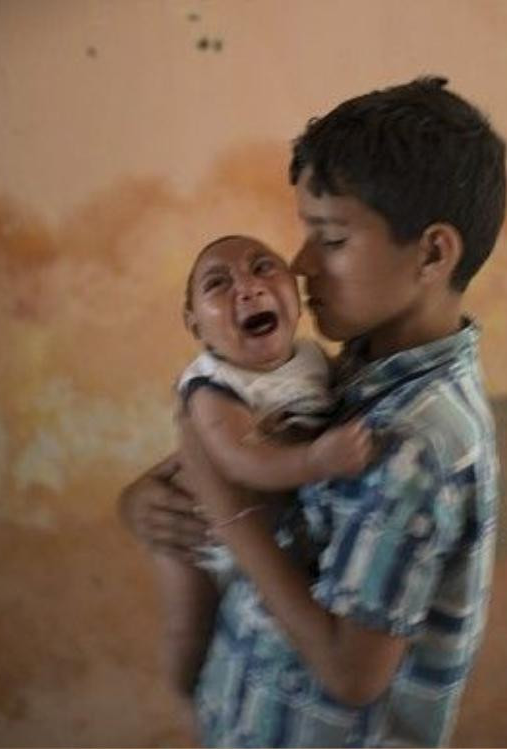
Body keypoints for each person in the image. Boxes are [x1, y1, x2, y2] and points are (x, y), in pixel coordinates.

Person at [120, 75, 507, 747]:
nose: (298, 264)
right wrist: (148, 496)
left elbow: (350, 673)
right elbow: (261, 448)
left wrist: (228, 513)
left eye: (329, 238)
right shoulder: (362, 367)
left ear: (433, 252)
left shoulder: (416, 440)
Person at [154, 234, 374, 700]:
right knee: (189, 629)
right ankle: (184, 701)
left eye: (263, 268)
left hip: (265, 530)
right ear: (194, 324)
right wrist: (314, 459)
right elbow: (240, 461)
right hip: (201, 536)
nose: (249, 288)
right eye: (218, 283)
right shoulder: (213, 386)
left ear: (295, 295)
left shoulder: (314, 358)